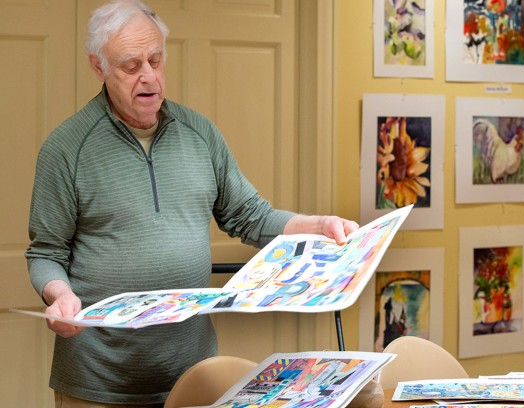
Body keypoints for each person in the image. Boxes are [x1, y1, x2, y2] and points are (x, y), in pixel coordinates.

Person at [24, 1, 358, 406]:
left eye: (156, 60)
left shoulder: (200, 134)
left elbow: (250, 216)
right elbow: (45, 253)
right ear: (99, 67)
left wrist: (319, 225)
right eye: (131, 66)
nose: (148, 77)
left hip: (193, 376)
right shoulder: (67, 148)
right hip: (99, 379)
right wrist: (58, 294)